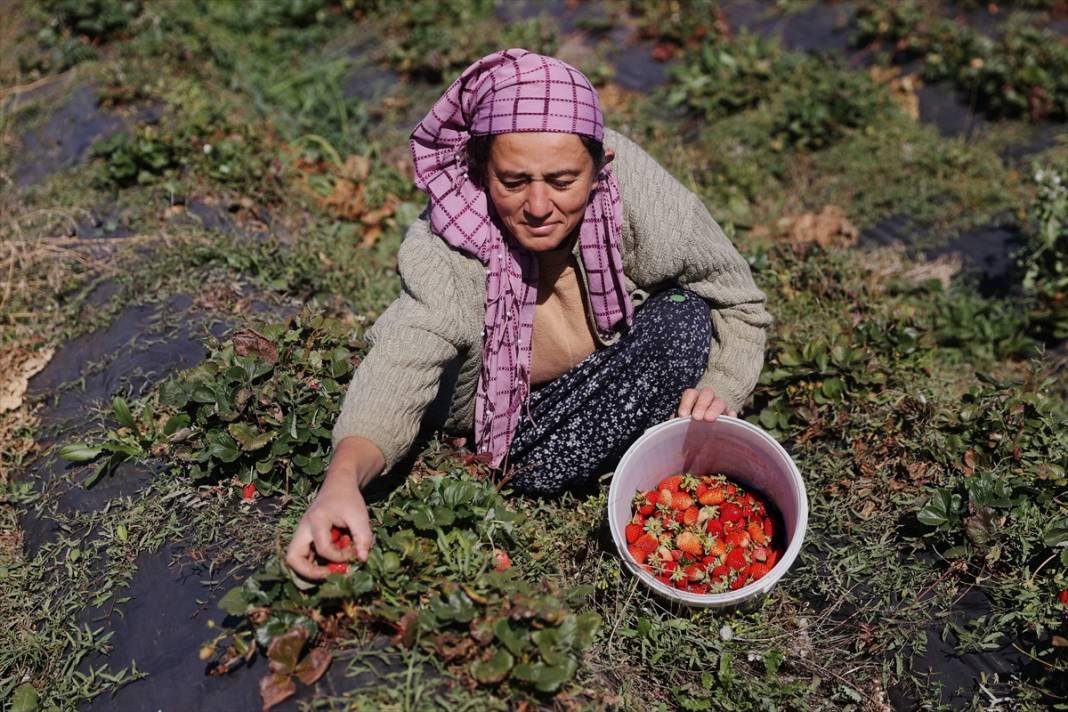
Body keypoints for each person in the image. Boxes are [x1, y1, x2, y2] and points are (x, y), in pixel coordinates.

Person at [286, 49, 772, 580]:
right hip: (523, 428)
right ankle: (573, 467)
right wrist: (341, 481)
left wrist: (722, 384)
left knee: (683, 320)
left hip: (611, 366)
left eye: (562, 182)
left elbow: (738, 300)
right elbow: (404, 358)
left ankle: (648, 456)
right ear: (480, 169)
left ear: (600, 168)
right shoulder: (449, 241)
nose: (538, 206)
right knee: (539, 456)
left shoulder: (640, 195)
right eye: (513, 182)